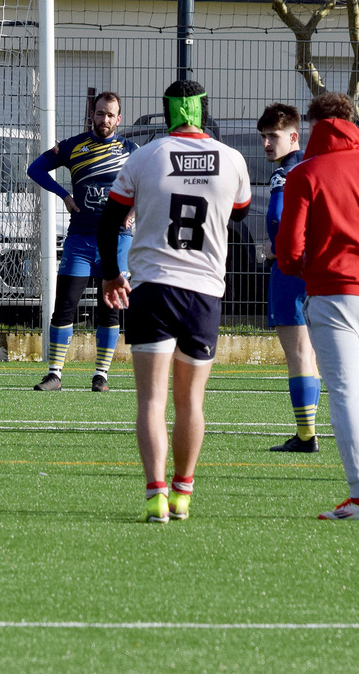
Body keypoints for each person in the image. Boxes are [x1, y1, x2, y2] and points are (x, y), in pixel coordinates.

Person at [98, 80, 251, 524]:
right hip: (204, 292)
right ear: (203, 111)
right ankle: (183, 493)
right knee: (191, 402)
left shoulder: (144, 156)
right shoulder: (232, 159)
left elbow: (109, 222)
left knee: (151, 401)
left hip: (153, 288)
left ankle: (155, 496)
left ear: (166, 112)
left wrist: (111, 274)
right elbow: (241, 212)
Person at [275, 92, 359, 522]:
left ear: (315, 126)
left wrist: (304, 268)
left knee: (346, 390)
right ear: (353, 122)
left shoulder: (304, 173)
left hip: (332, 291)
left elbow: (288, 250)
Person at [27, 91, 138, 392]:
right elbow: (35, 169)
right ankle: (54, 374)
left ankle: (101, 375)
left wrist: (134, 210)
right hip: (80, 239)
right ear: (92, 114)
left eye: (110, 115)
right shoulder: (73, 146)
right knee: (65, 304)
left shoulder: (131, 151)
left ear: (119, 119)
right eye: (100, 113)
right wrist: (64, 195)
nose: (104, 119)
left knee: (110, 308)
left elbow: (150, 183)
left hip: (117, 241)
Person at [257, 103, 319, 453]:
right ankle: (311, 430)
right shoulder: (312, 166)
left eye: (273, 136)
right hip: (318, 270)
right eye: (264, 136)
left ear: (294, 137)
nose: (267, 143)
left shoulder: (285, 173)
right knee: (311, 354)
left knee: (298, 353)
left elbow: (280, 217)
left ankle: (306, 436)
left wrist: (275, 248)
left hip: (290, 270)